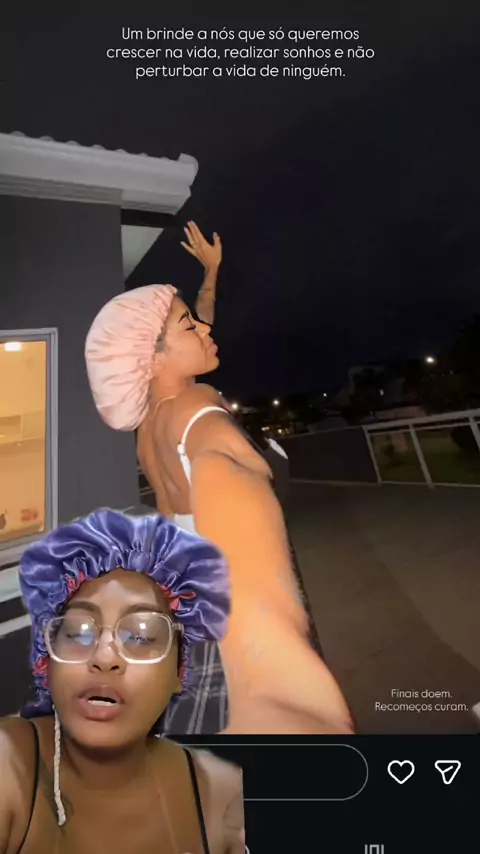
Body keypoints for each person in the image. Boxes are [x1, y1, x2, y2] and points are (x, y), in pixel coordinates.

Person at [85, 224, 353, 737]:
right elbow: (243, 538)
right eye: (189, 326)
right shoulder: (198, 410)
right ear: (154, 358)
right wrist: (289, 699)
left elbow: (196, 328)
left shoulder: (150, 425)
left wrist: (210, 274)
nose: (207, 331)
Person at [0, 509, 245, 853]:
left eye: (141, 636)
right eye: (78, 633)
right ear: (48, 661)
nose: (104, 657)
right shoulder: (9, 764)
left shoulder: (223, 796)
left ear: (179, 671)